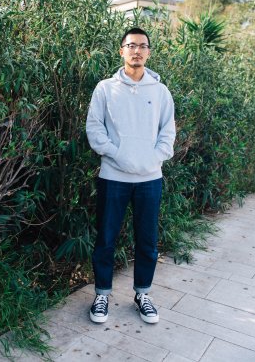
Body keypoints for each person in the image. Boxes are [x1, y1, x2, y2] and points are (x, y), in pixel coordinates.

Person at [86, 26, 175, 324]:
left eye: (142, 46)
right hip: (113, 177)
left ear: (149, 52)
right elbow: (94, 129)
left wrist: (151, 159)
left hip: (150, 179)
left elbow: (168, 134)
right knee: (106, 239)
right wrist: (119, 155)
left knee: (147, 240)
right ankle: (101, 294)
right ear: (121, 50)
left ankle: (143, 294)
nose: (137, 51)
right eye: (131, 45)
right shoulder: (105, 88)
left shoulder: (161, 92)